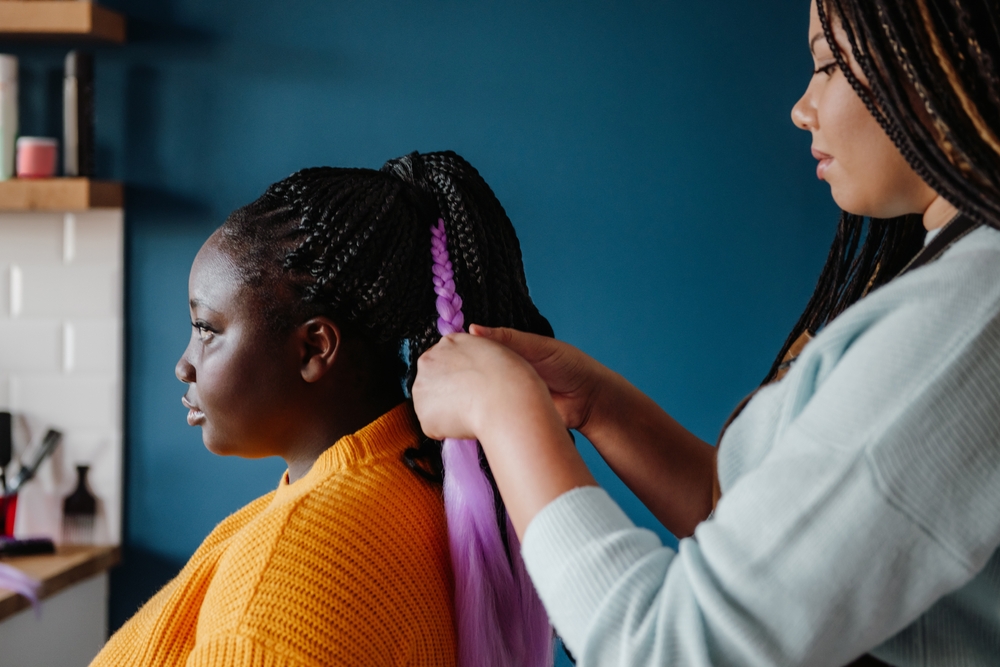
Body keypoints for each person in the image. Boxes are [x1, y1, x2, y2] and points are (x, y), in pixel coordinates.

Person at [412, 0, 1000, 665]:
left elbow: (669, 647)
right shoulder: (956, 282)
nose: (802, 108)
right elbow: (770, 535)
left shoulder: (969, 320)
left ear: (945, 54)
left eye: (828, 65)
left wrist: (509, 415)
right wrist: (599, 405)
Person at [90, 151, 553, 667]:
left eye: (206, 330)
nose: (183, 366)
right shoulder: (418, 478)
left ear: (314, 349)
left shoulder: (289, 584)